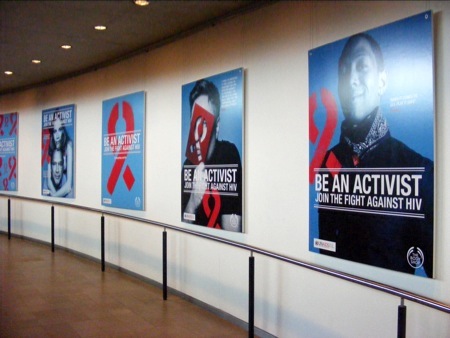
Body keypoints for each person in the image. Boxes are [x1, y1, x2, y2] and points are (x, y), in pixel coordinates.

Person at [318, 33, 434, 276]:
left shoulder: (419, 170)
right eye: (344, 71)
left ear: (382, 81)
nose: (351, 80)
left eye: (362, 67)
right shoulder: (328, 163)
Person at [182, 79, 242, 232]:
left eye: (206, 122)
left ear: (217, 126)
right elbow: (183, 228)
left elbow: (232, 232)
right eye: (196, 122)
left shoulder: (228, 155)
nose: (200, 132)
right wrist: (193, 202)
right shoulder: (188, 166)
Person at [46, 116, 73, 197]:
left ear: (63, 131)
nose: (57, 135)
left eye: (60, 130)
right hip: (57, 189)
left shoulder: (68, 146)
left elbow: (68, 186)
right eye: (55, 131)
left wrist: (54, 196)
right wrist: (55, 197)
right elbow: (48, 180)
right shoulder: (51, 146)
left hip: (65, 190)